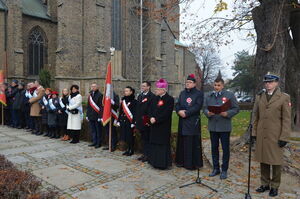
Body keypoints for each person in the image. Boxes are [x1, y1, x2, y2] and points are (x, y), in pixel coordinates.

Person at [252, 72, 291, 197]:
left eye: (271, 82)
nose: (268, 84)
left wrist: (284, 137)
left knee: (275, 161)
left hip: (275, 135)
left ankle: (274, 186)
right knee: (263, 160)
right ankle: (264, 184)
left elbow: (286, 119)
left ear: (277, 83)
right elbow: (256, 116)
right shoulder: (260, 96)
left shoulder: (284, 97)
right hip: (262, 134)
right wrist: (254, 132)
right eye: (266, 82)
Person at [203, 77, 239, 179]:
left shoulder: (229, 95)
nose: (216, 87)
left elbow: (236, 108)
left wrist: (227, 113)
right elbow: (204, 108)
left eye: (218, 85)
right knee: (214, 148)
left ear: (223, 85)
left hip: (224, 126)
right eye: (215, 85)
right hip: (213, 126)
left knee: (225, 149)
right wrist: (207, 113)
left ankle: (224, 170)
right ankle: (216, 168)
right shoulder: (209, 95)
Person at [175, 74, 204, 170]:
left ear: (194, 84)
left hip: (192, 122)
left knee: (191, 143)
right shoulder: (182, 93)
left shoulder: (199, 94)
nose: (187, 84)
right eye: (187, 82)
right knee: (182, 141)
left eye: (190, 82)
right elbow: (178, 104)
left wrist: (186, 113)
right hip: (182, 121)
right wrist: (179, 111)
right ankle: (181, 161)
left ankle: (191, 164)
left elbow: (197, 106)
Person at [148, 79, 174, 170]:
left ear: (164, 90)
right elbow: (150, 109)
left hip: (163, 126)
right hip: (154, 125)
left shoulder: (169, 99)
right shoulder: (154, 98)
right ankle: (154, 161)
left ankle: (162, 163)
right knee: (154, 143)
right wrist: (151, 117)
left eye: (158, 89)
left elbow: (167, 113)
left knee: (162, 144)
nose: (156, 90)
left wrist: (156, 119)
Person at [135, 81, 155, 162]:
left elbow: (151, 109)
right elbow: (138, 109)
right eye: (142, 86)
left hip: (147, 121)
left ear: (148, 87)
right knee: (143, 139)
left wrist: (148, 120)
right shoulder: (140, 96)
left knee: (147, 139)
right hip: (140, 121)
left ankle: (148, 155)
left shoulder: (152, 96)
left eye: (144, 86)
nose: (142, 87)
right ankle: (144, 154)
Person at [117, 86, 137, 156]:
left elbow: (135, 112)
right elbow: (121, 111)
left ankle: (131, 150)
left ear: (131, 92)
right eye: (125, 91)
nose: (125, 92)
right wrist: (118, 120)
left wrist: (133, 122)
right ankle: (128, 149)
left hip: (129, 121)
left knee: (130, 136)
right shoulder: (123, 101)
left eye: (127, 91)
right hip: (123, 121)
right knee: (125, 136)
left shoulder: (134, 101)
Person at [86, 83, 103, 148]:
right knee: (93, 130)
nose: (93, 87)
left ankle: (99, 143)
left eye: (94, 86)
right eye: (92, 86)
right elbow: (88, 106)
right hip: (91, 115)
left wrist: (100, 116)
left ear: (97, 87)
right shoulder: (90, 95)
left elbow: (101, 107)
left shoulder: (100, 95)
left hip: (97, 115)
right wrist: (87, 115)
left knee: (98, 130)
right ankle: (94, 141)